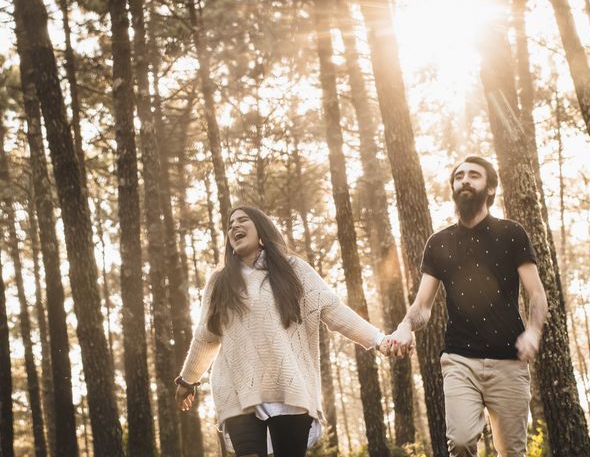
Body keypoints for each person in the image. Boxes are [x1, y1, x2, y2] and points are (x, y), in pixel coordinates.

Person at [174, 205, 386, 457]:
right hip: (237, 389)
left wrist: (379, 339)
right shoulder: (220, 281)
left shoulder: (294, 270)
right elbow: (205, 337)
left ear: (261, 229)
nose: (234, 227)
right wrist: (188, 380)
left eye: (243, 221)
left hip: (289, 387)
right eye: (230, 225)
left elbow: (333, 310)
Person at [382, 156, 548, 457]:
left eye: (474, 175)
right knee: (459, 443)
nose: (465, 181)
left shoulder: (512, 233)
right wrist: (405, 326)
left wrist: (534, 331)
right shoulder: (438, 243)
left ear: (491, 189)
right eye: (459, 177)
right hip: (460, 360)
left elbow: (536, 293)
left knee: (512, 452)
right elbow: (422, 305)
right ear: (454, 189)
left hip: (509, 361)